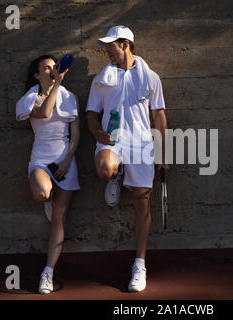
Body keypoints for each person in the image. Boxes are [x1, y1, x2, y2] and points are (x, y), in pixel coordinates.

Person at [86, 26, 169, 292]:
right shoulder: (101, 79)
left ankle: (139, 265)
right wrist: (96, 131)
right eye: (106, 46)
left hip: (142, 145)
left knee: (142, 203)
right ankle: (116, 174)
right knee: (104, 170)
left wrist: (164, 153)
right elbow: (90, 114)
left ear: (125, 44)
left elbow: (159, 116)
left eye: (111, 45)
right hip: (112, 142)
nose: (107, 50)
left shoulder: (151, 77)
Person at [16, 55, 80, 294]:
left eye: (55, 67)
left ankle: (47, 272)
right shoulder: (29, 99)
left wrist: (67, 159)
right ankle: (48, 199)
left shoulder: (70, 98)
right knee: (43, 193)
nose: (52, 71)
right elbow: (44, 113)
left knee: (58, 219)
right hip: (41, 161)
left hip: (64, 160)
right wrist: (58, 84)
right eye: (47, 68)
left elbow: (76, 135)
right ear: (37, 75)